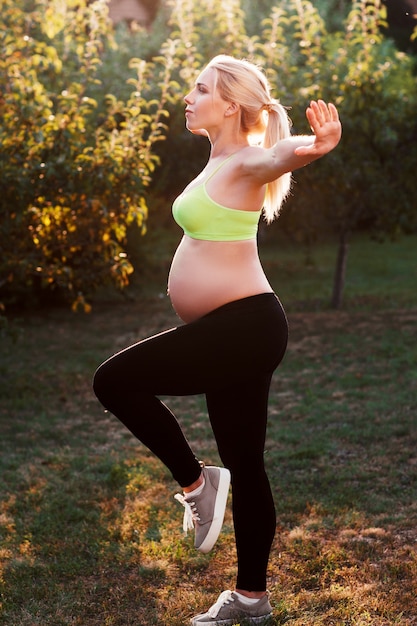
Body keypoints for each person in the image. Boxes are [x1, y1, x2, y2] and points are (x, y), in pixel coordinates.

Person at [93, 54, 341, 625]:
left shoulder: (247, 161)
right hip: (235, 329)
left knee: (115, 381)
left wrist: (315, 145)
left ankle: (198, 483)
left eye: (200, 89)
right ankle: (252, 599)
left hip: (243, 326)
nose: (190, 96)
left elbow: (280, 153)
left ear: (230, 103)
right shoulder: (217, 162)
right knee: (248, 465)